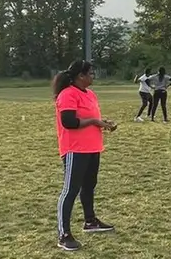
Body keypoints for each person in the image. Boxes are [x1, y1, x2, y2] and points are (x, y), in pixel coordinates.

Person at [52, 60, 117, 251]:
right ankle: (64, 234)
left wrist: (102, 123)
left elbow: (88, 118)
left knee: (89, 186)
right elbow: (69, 122)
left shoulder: (90, 94)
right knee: (70, 190)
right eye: (91, 73)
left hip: (92, 148)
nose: (93, 76)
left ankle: (90, 221)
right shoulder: (67, 94)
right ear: (81, 75)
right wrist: (94, 121)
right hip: (75, 149)